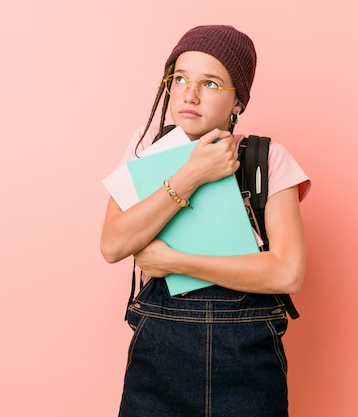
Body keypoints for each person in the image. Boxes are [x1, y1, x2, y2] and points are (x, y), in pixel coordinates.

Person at [101, 25, 311, 417]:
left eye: (210, 83)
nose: (189, 94)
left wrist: (174, 262)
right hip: (158, 363)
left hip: (248, 366)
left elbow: (287, 274)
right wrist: (191, 174)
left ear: (238, 102)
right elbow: (113, 244)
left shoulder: (266, 159)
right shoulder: (146, 150)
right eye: (179, 79)